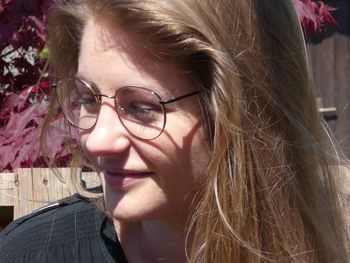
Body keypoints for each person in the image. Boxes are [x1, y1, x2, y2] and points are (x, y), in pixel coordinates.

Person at [1, 0, 348, 262]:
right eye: (88, 98)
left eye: (141, 107)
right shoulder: (31, 253)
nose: (97, 139)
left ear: (243, 117)